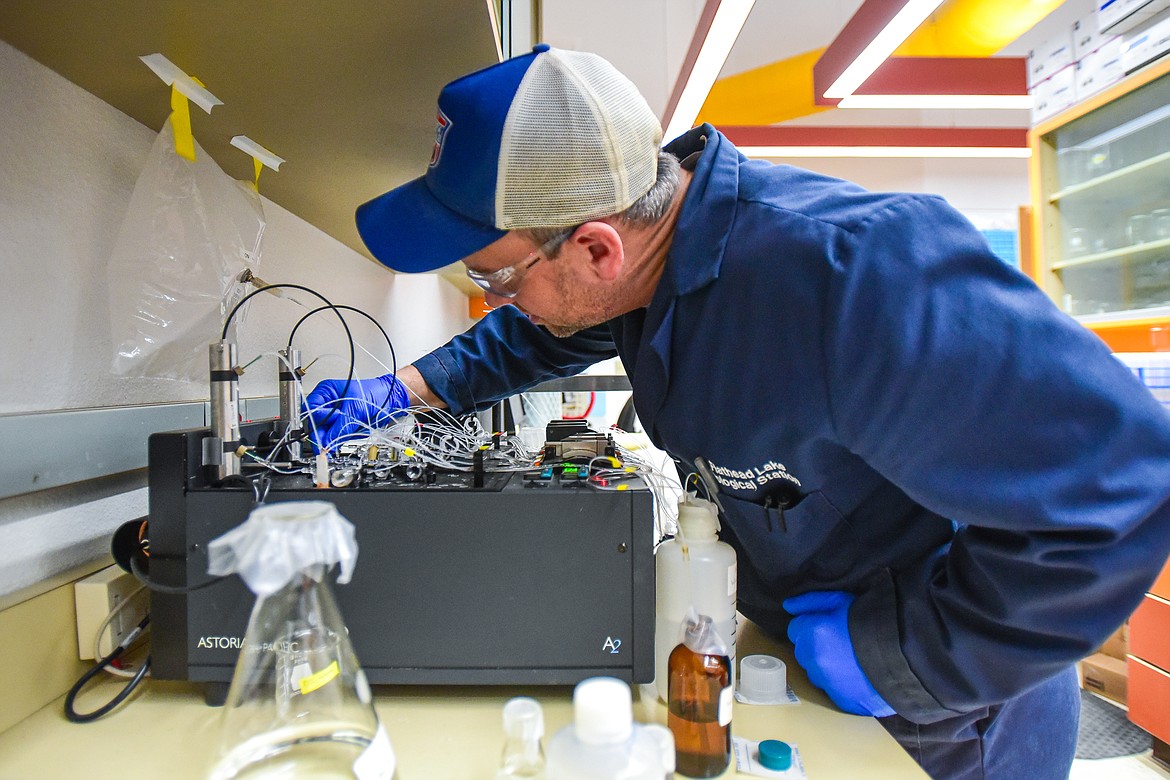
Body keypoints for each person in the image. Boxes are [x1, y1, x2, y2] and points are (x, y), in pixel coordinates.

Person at [306, 45, 1170, 779]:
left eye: (495, 277)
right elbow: (551, 327)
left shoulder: (857, 277)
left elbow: (1122, 496)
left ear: (598, 246)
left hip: (950, 701)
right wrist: (409, 390)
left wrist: (908, 655)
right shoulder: (651, 263)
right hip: (800, 641)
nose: (495, 301)